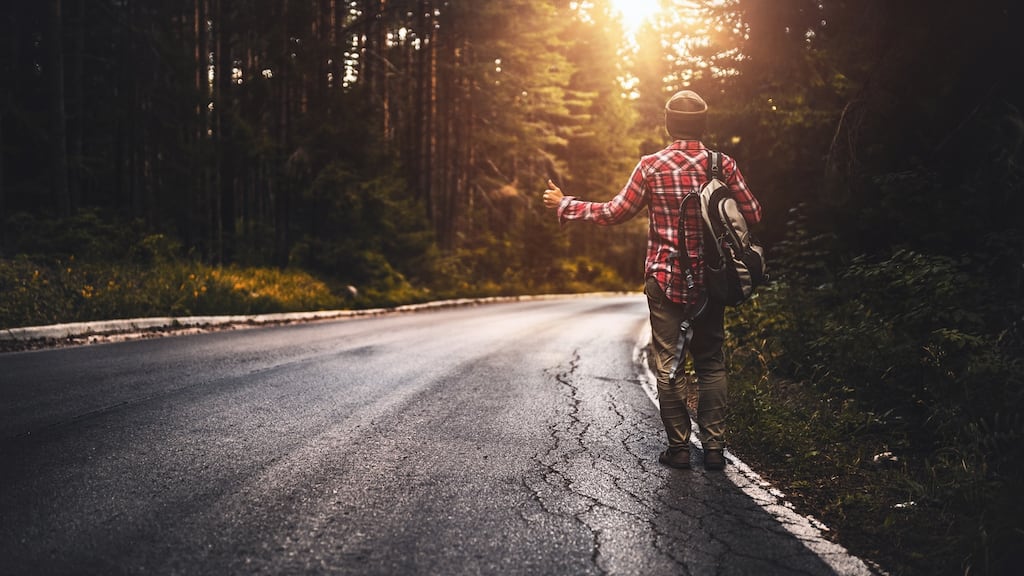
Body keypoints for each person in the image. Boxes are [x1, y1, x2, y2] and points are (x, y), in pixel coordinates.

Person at [541, 89, 762, 471]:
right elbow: (753, 213)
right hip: (713, 281)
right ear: (703, 124)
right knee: (711, 362)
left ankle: (678, 449)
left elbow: (614, 212)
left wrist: (566, 204)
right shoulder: (722, 165)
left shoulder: (651, 166)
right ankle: (713, 449)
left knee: (670, 365)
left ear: (668, 123)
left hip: (665, 279)